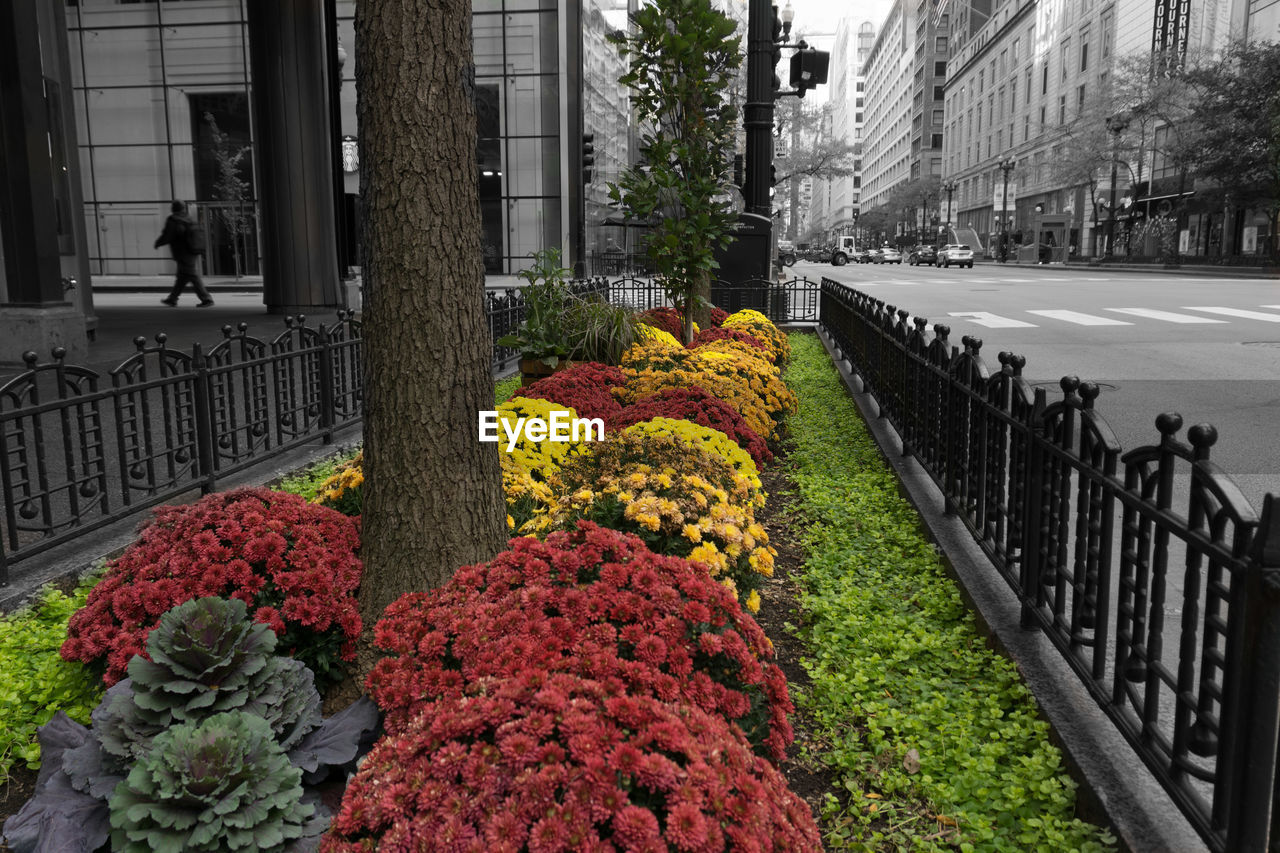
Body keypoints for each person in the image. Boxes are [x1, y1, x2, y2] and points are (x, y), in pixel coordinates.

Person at [155, 200, 214, 307]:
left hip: (183, 252)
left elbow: (168, 235)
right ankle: (172, 298)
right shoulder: (189, 218)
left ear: (173, 208)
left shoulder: (174, 220)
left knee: (191, 275)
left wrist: (158, 243)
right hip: (192, 250)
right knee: (182, 276)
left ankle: (206, 299)